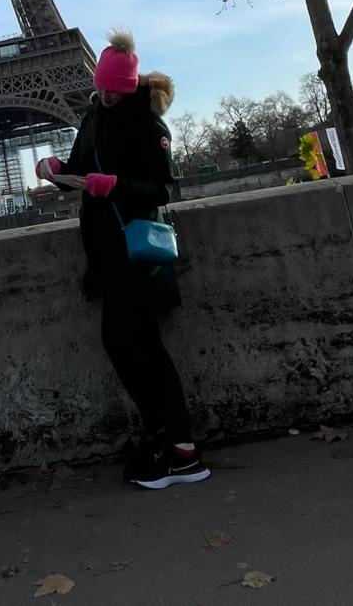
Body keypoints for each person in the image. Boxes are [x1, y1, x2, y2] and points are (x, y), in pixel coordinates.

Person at [36, 29, 210, 490]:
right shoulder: (94, 114)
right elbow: (79, 170)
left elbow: (162, 189)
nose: (106, 95)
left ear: (129, 85)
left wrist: (114, 185)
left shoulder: (149, 127)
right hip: (106, 253)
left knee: (137, 347)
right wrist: (58, 172)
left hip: (135, 253)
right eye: (101, 87)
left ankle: (176, 447)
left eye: (113, 88)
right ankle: (172, 445)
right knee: (134, 347)